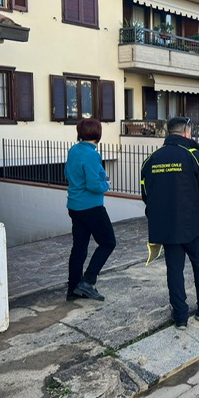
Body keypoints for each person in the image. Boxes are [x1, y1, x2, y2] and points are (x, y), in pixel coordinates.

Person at [141, 117, 199, 330]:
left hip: (167, 228)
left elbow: (146, 194)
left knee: (174, 270)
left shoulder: (151, 160)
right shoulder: (194, 156)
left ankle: (180, 316)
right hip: (194, 225)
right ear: (186, 132)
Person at [64, 118, 116, 302]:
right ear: (98, 134)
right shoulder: (92, 154)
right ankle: (88, 281)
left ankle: (73, 288)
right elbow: (94, 185)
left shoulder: (74, 150)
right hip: (91, 207)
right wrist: (105, 184)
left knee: (79, 247)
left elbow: (67, 174)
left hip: (74, 206)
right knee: (108, 242)